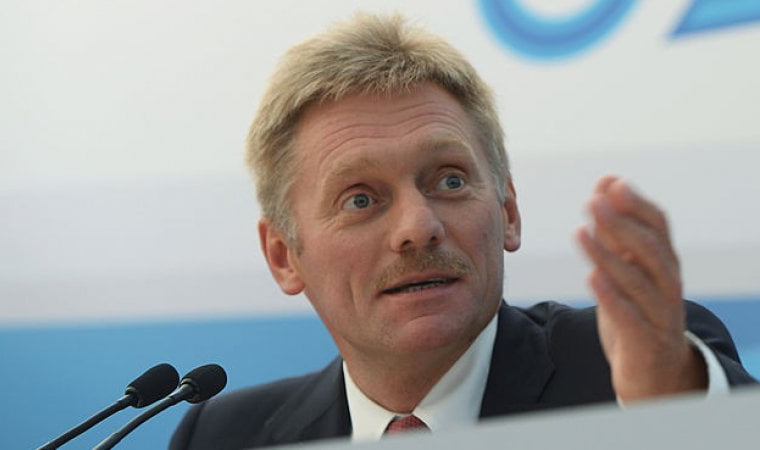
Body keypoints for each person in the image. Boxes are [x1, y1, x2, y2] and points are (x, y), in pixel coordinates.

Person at [170, 13, 756, 449]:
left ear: (507, 211)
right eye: (361, 199)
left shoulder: (641, 372)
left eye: (449, 181)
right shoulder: (225, 436)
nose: (418, 227)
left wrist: (673, 409)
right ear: (283, 256)